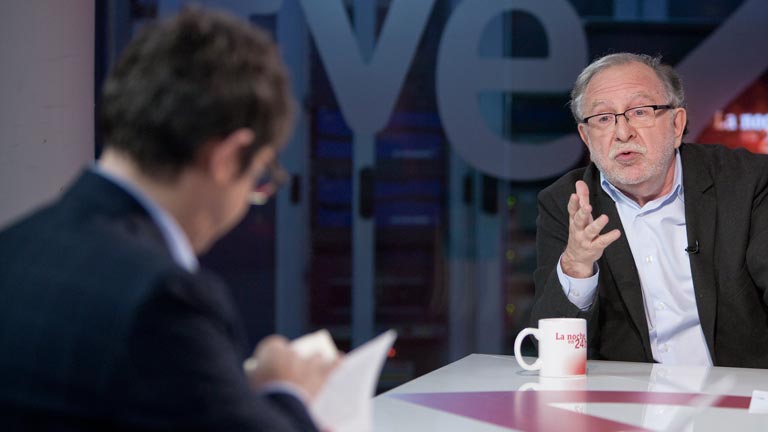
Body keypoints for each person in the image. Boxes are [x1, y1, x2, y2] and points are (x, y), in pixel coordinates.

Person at [0, 7, 336, 430]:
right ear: (227, 158)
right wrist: (285, 391)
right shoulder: (163, 300)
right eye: (259, 175)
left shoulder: (13, 248)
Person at [530, 52, 768, 368]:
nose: (622, 132)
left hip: (736, 390)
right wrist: (576, 266)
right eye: (603, 118)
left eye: (640, 112)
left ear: (677, 124)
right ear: (586, 137)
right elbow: (549, 353)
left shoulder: (746, 182)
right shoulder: (566, 203)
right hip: (628, 395)